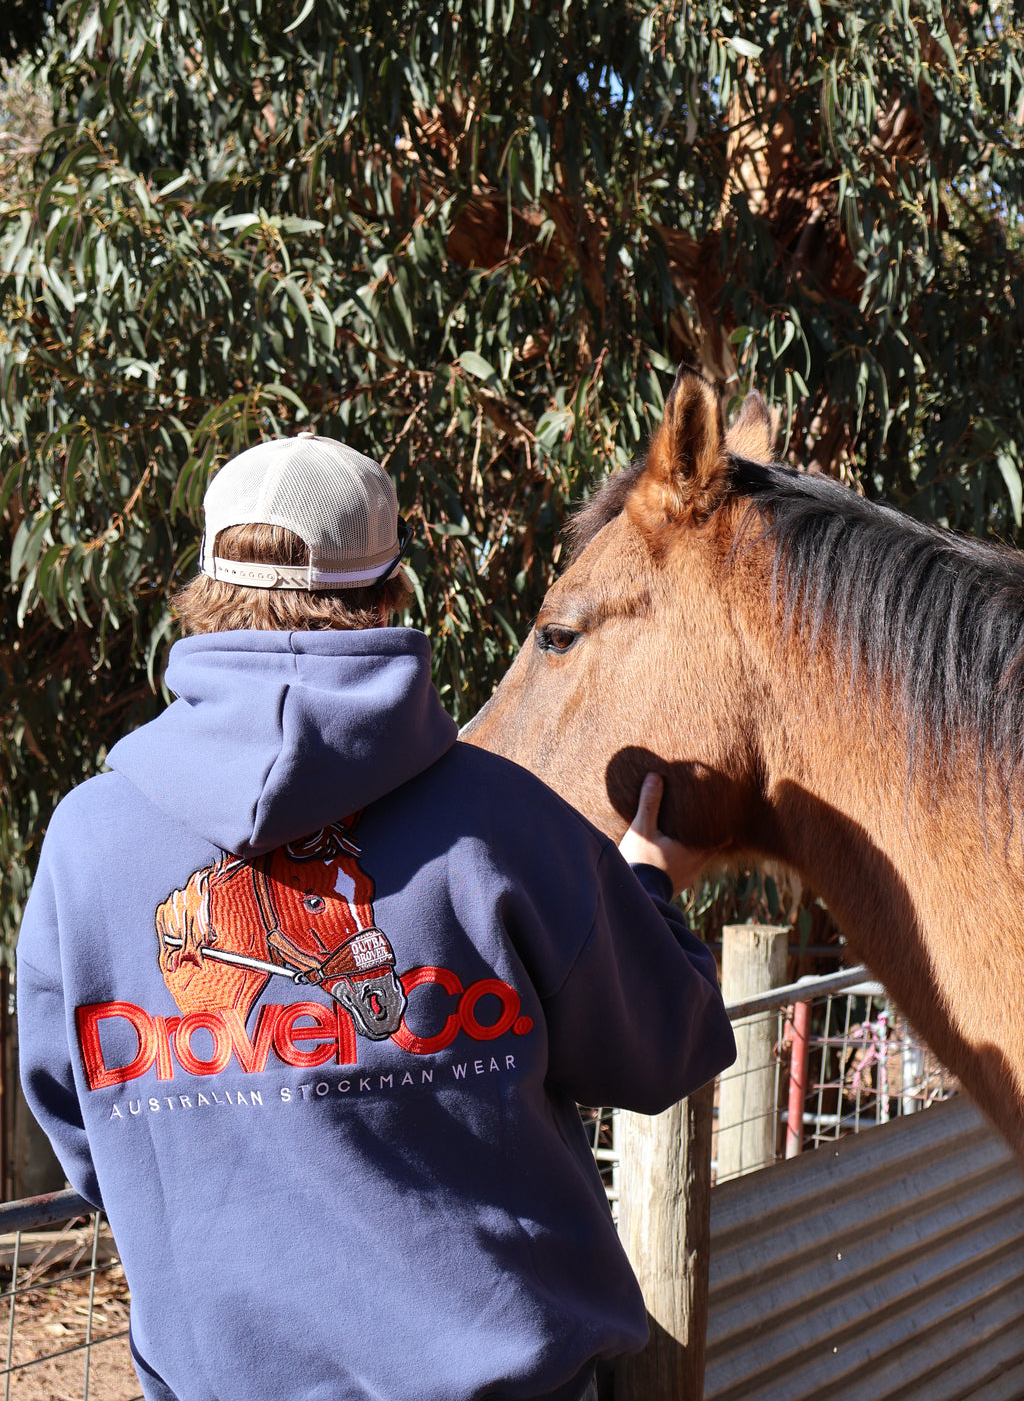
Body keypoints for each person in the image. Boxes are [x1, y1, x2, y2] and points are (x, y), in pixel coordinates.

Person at [17, 431, 736, 1401]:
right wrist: (642, 885)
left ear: (203, 585)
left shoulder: (87, 841)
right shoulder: (503, 822)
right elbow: (663, 1051)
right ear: (390, 586)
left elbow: (84, 1122)